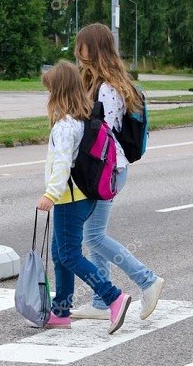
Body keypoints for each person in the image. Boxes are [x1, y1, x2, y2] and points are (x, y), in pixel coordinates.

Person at [71, 23, 164, 321]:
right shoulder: (100, 83)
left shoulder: (107, 89)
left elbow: (104, 135)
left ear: (94, 48)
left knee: (95, 236)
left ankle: (147, 280)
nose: (77, 51)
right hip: (106, 168)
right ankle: (100, 301)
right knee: (93, 233)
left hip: (107, 169)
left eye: (82, 45)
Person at [38, 60, 131, 334]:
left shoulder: (65, 126)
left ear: (58, 92)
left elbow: (63, 164)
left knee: (69, 255)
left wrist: (49, 195)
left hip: (69, 198)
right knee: (60, 254)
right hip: (85, 196)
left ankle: (113, 296)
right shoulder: (84, 119)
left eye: (50, 91)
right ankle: (61, 310)